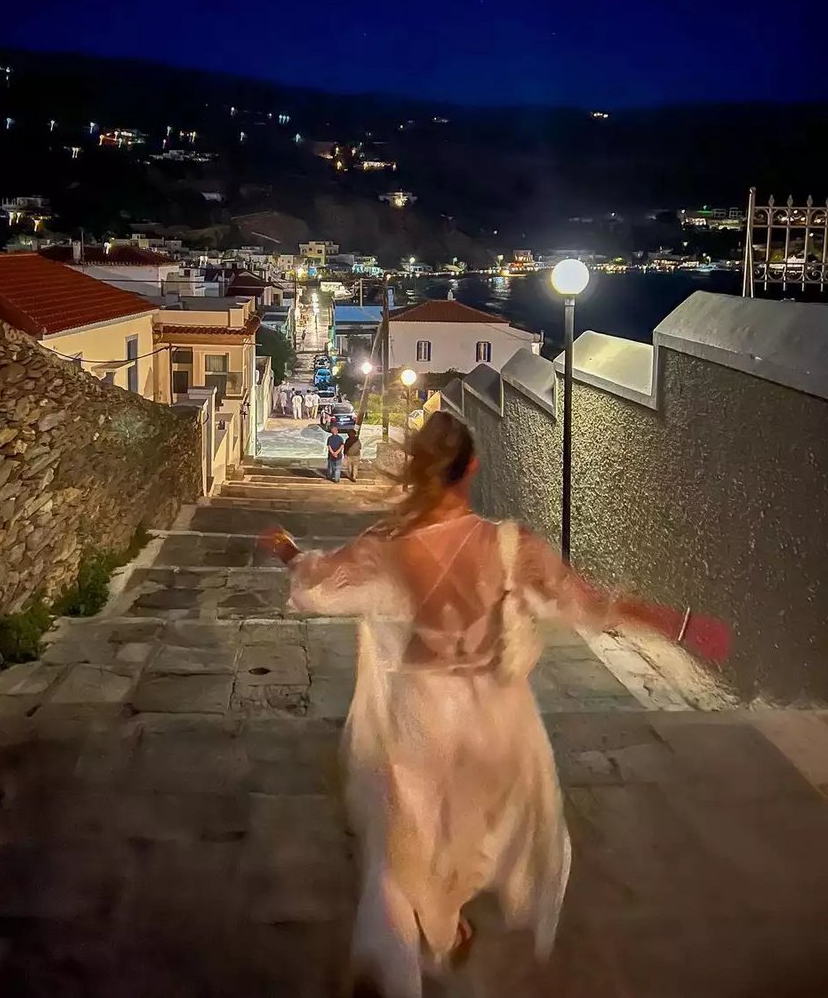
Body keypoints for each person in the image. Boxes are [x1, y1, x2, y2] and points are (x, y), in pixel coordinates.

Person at [260, 412, 664, 998]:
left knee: (401, 850)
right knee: (459, 841)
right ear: (472, 467)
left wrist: (288, 551)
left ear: (418, 467)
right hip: (492, 722)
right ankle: (445, 934)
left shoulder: (388, 545)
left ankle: (397, 964)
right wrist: (670, 621)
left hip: (420, 715)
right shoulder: (510, 547)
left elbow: (318, 585)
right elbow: (587, 604)